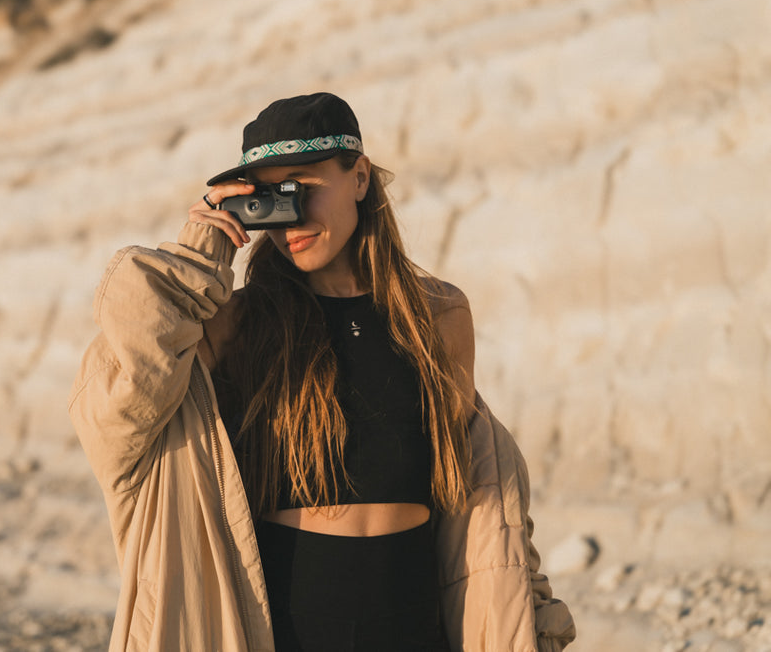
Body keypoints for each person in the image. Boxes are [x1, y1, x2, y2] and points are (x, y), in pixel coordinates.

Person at [68, 92, 576, 651]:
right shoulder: (234, 324)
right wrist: (198, 258)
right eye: (266, 195)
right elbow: (124, 404)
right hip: (287, 630)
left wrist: (528, 611)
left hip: (414, 626)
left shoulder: (437, 316)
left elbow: (478, 490)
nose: (288, 216)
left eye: (301, 187)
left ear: (359, 177)